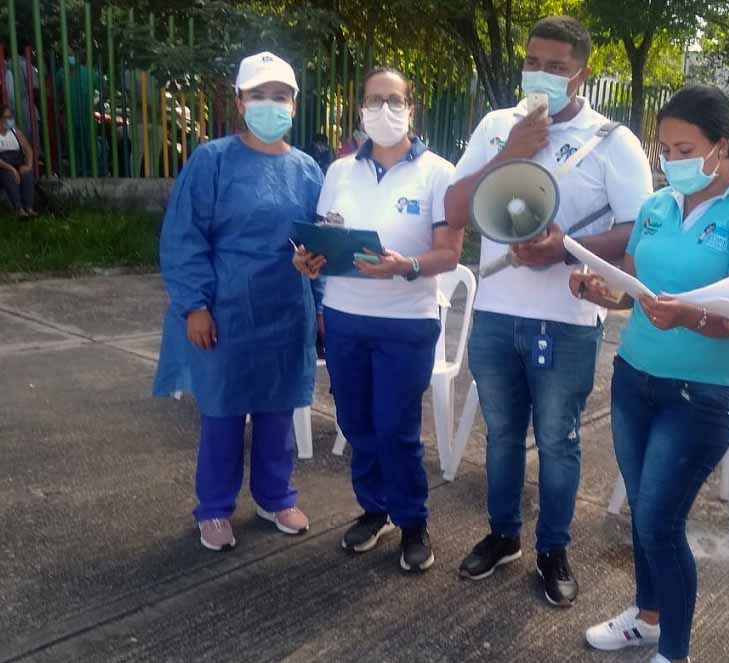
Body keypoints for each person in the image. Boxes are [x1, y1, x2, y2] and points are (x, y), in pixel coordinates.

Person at [571, 85, 729, 663]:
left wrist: (690, 315)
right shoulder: (657, 207)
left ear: (721, 146)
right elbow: (636, 292)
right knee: (644, 512)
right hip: (634, 378)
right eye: (664, 148)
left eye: (684, 147)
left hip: (702, 395)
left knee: (661, 519)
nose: (672, 160)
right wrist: (602, 289)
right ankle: (646, 617)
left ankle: (676, 649)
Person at [443, 15, 654, 606]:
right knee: (502, 433)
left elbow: (639, 227)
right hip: (494, 314)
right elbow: (456, 207)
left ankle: (553, 548)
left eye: (557, 66)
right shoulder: (494, 126)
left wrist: (564, 247)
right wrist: (509, 152)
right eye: (533, 61)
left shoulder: (613, 141)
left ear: (582, 72)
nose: (541, 74)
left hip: (567, 319)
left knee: (558, 441)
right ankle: (503, 535)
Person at [292, 67, 462, 573]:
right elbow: (321, 239)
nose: (382, 110)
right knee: (356, 421)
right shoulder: (340, 171)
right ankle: (374, 509)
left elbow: (448, 254)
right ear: (360, 107)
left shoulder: (438, 172)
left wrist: (404, 266)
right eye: (373, 100)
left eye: (393, 100)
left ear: (412, 107)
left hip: (405, 321)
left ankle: (413, 521)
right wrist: (307, 262)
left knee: (395, 427)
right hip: (345, 317)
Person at [153, 52, 324, 552]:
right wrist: (194, 305)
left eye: (280, 96)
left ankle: (275, 496)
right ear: (240, 101)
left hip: (287, 310)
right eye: (259, 95)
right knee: (224, 413)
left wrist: (319, 295)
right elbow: (185, 236)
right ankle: (214, 507)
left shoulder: (308, 169)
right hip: (226, 308)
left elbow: (317, 240)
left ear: (294, 102)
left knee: (278, 409)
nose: (270, 104)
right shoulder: (213, 160)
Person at [0, 105, 36, 216]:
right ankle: (19, 209)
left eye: (11, 117)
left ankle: (28, 208)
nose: (11, 120)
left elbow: (28, 150)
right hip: (3, 166)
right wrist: (12, 169)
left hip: (17, 163)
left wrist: (28, 165)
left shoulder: (16, 132)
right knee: (10, 176)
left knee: (27, 174)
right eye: (8, 117)